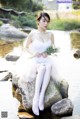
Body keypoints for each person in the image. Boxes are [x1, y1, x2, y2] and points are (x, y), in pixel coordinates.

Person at [13, 12, 60, 116]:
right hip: (34, 60)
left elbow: (53, 48)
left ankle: (41, 97)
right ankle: (35, 99)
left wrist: (47, 52)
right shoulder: (33, 33)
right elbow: (25, 47)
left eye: (47, 21)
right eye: (44, 21)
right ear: (38, 22)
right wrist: (34, 53)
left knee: (48, 65)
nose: (46, 23)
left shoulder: (51, 34)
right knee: (42, 68)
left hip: (46, 59)